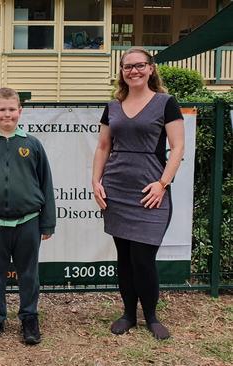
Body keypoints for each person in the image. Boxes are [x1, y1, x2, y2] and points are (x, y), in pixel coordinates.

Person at [92, 47, 184, 340]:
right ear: (121, 72)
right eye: (128, 66)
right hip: (116, 190)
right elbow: (103, 146)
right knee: (125, 258)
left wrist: (162, 184)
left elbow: (178, 147)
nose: (134, 71)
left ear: (151, 68)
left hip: (150, 192)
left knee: (144, 259)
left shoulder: (166, 103)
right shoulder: (113, 105)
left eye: (140, 65)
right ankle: (129, 314)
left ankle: (152, 316)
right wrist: (96, 181)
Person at [0, 87, 56, 345]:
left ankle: (29, 318)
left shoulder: (32, 144)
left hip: (28, 221)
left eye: (12, 109)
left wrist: (47, 221)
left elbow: (46, 184)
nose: (8, 115)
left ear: (20, 111)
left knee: (29, 272)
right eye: (2, 110)